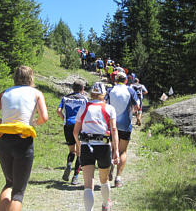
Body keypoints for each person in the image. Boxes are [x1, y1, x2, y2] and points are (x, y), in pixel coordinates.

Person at [0, 66, 48, 211]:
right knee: (18, 192)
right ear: (31, 77)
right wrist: (33, 123)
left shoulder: (5, 93)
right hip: (23, 140)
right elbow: (44, 118)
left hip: (4, 139)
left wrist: (2, 123)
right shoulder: (36, 93)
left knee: (9, 183)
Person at [73, 82, 119, 211]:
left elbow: (75, 131)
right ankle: (105, 204)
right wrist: (116, 151)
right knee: (104, 180)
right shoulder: (109, 109)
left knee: (88, 184)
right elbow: (114, 129)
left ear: (91, 93)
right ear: (104, 94)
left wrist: (79, 146)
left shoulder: (84, 107)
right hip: (103, 146)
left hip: (87, 146)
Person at [107, 72, 139, 188]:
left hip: (112, 124)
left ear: (116, 80)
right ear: (126, 80)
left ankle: (110, 166)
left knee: (111, 148)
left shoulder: (110, 90)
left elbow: (105, 104)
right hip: (125, 124)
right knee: (122, 151)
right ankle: (118, 178)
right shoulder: (130, 91)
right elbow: (137, 107)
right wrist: (132, 114)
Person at [56, 79, 87, 185]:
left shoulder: (65, 98)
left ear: (72, 88)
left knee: (71, 150)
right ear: (82, 89)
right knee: (79, 152)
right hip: (79, 126)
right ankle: (75, 177)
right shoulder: (84, 99)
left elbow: (58, 111)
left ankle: (69, 164)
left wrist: (64, 118)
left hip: (67, 125)